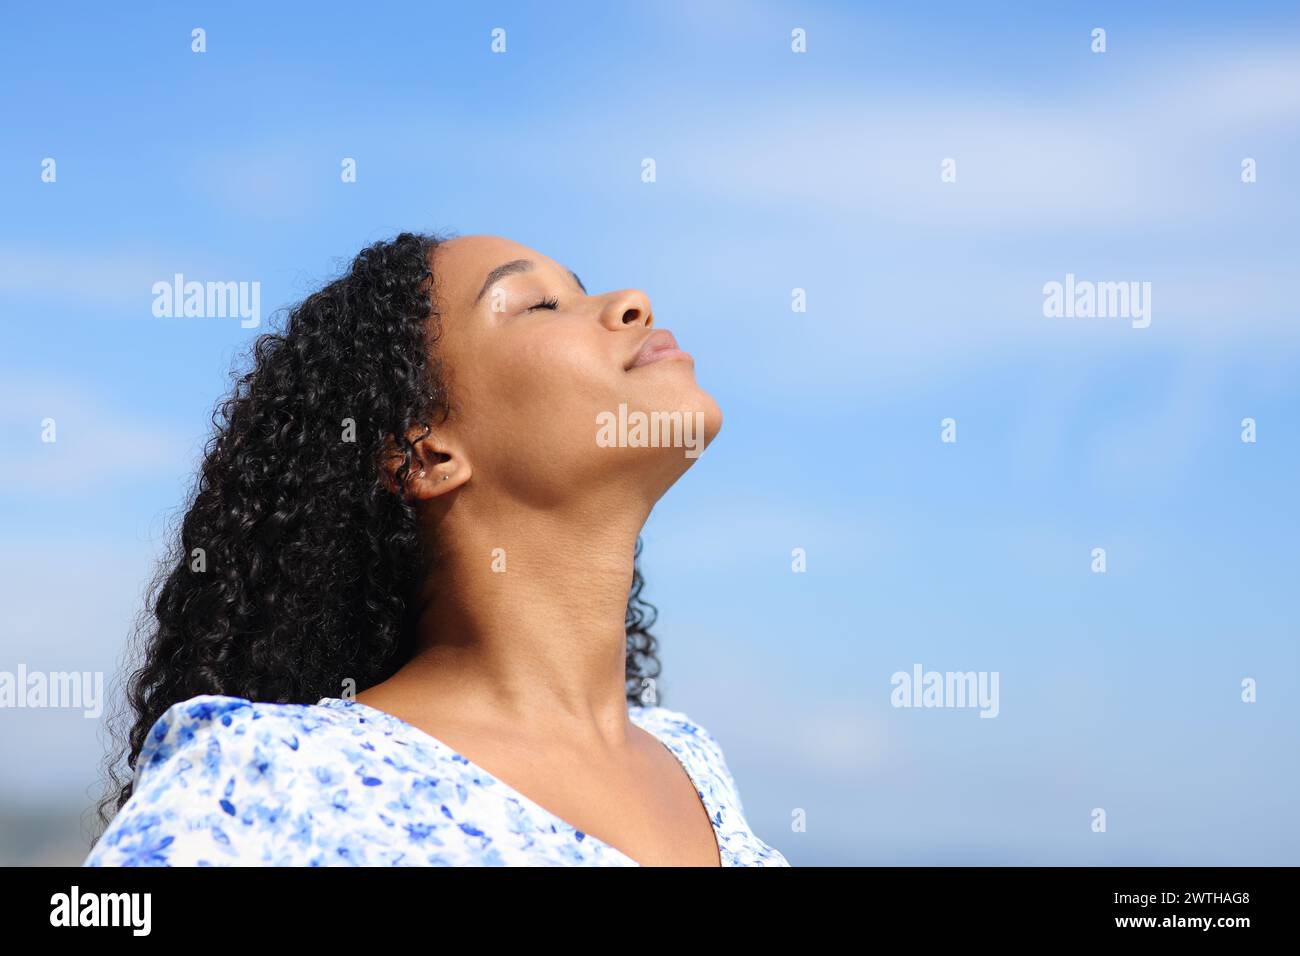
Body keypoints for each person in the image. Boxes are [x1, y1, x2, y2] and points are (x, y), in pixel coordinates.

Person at [84, 232, 789, 867]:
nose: (632, 303)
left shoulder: (694, 763)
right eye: (537, 306)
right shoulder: (269, 778)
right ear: (425, 453)